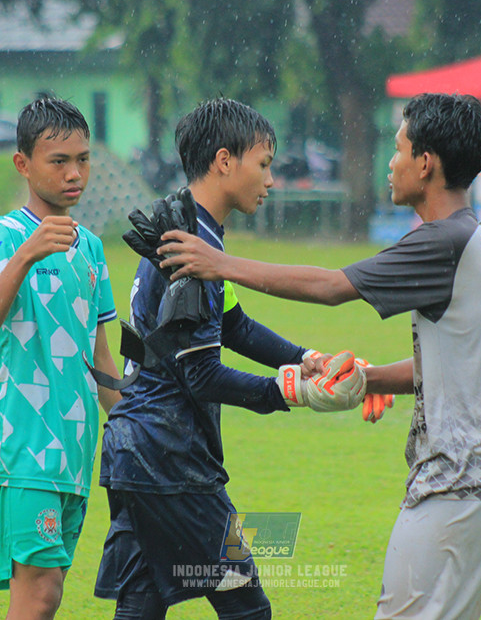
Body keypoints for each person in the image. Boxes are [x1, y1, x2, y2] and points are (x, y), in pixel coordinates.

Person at [157, 93, 481, 620]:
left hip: (459, 481)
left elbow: (331, 286)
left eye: (398, 150)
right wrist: (370, 380)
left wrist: (222, 264)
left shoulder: (442, 241)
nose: (392, 163)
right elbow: (446, 365)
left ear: (426, 164)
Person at [94, 98, 368, 619]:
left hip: (133, 447)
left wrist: (302, 357)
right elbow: (201, 376)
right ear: (224, 161)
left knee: (143, 601)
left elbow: (233, 324)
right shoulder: (192, 246)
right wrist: (293, 392)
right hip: (169, 456)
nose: (270, 180)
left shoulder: (186, 227)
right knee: (246, 605)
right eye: (262, 165)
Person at [0, 97, 123, 620]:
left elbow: (101, 361)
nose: (75, 173)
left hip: (76, 450)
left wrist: (131, 425)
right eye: (59, 161)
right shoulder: (3, 237)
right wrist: (28, 252)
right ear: (22, 164)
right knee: (39, 595)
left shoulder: (92, 248)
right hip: (24, 445)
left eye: (83, 159)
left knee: (46, 597)